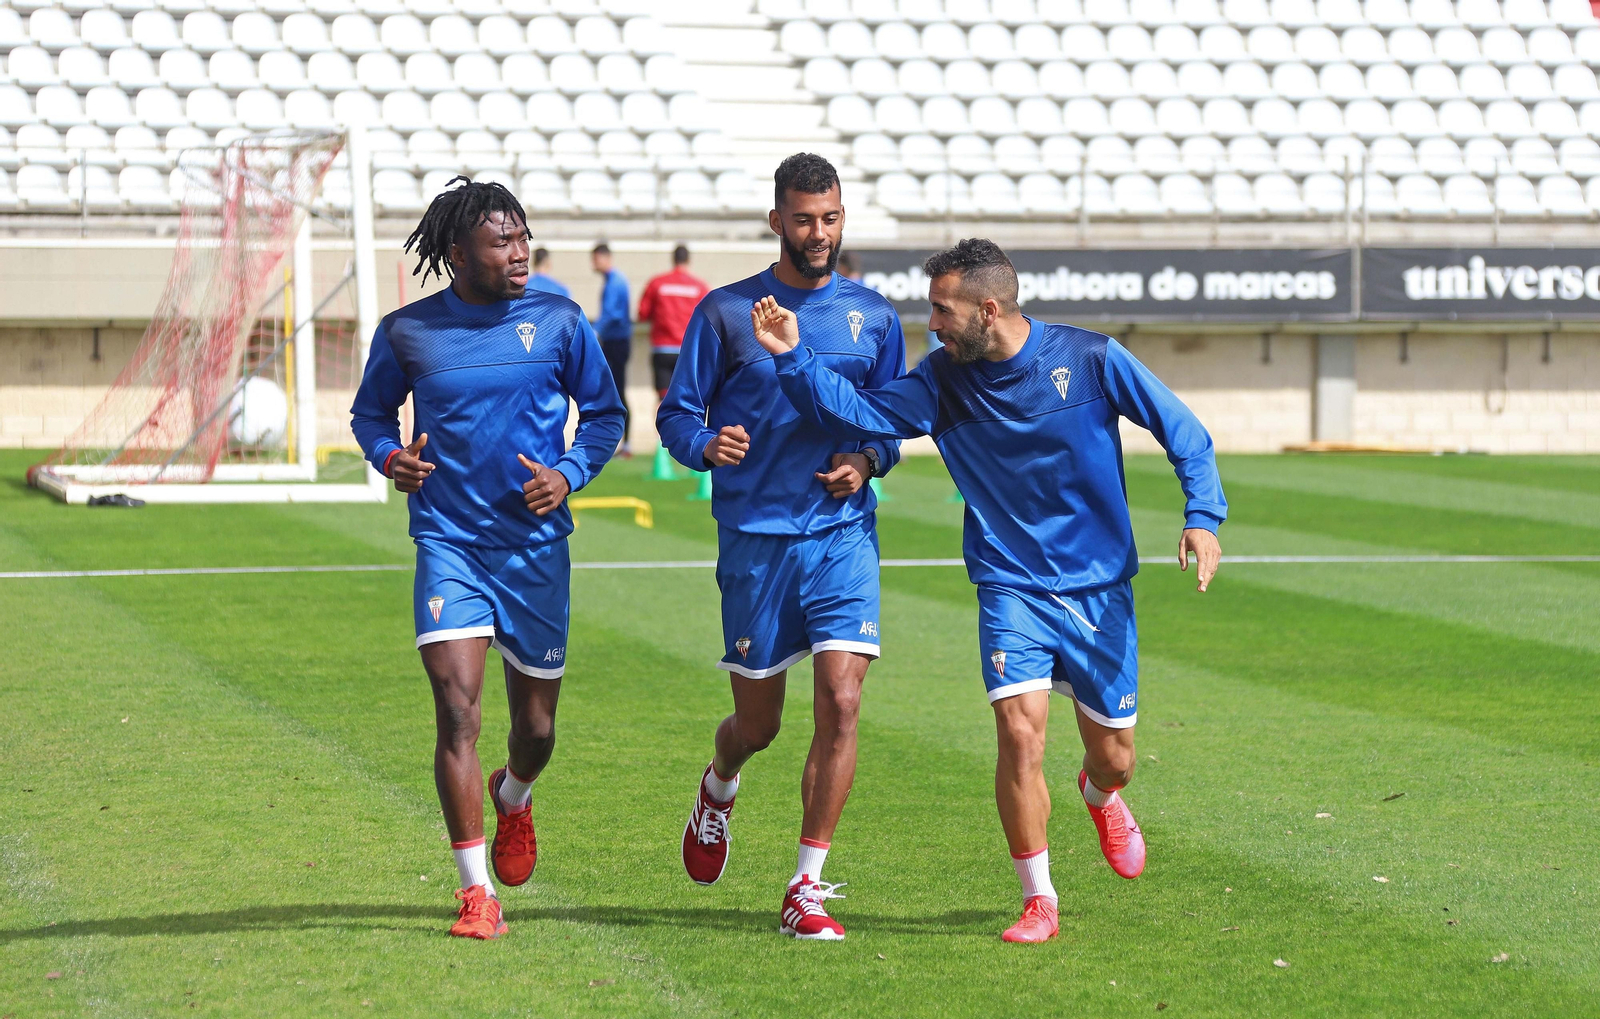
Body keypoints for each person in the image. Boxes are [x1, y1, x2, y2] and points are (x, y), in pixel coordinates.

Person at [747, 238, 1226, 944]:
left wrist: (1202, 516)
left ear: (989, 308)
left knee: (1116, 753)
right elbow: (859, 411)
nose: (932, 323)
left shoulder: (1091, 359)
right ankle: (1040, 899)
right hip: (1009, 584)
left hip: (1098, 588)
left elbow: (1182, 430)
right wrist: (792, 355)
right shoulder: (941, 381)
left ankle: (1100, 794)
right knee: (1018, 731)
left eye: (942, 309)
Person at [350, 178, 625, 940]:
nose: (518, 252)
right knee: (458, 709)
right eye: (501, 241)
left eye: (522, 237)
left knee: (535, 731)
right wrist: (388, 456)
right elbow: (371, 413)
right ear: (455, 253)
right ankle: (476, 894)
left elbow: (605, 415)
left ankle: (516, 794)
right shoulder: (407, 332)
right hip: (448, 544)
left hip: (536, 550)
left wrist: (566, 474)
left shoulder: (561, 321)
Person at [656, 153, 907, 940]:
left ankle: (805, 885)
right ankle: (719, 783)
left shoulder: (875, 315)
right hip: (757, 542)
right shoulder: (727, 312)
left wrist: (866, 459)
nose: (819, 233)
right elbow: (673, 417)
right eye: (804, 219)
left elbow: (892, 423)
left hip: (842, 539)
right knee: (757, 726)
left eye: (831, 218)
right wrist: (705, 444)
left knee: (841, 701)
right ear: (777, 221)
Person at [636, 244, 710, 399]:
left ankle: (659, 423)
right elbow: (709, 319)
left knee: (662, 399)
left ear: (673, 259)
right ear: (688, 260)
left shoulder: (657, 283)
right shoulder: (699, 287)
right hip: (687, 350)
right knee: (686, 399)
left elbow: (642, 314)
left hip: (662, 349)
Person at [591, 242, 634, 456]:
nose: (593, 263)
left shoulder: (615, 282)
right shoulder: (612, 281)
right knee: (615, 391)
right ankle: (619, 443)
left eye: (595, 258)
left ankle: (625, 444)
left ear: (604, 257)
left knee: (618, 392)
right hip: (615, 342)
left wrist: (594, 332)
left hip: (617, 343)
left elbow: (612, 314)